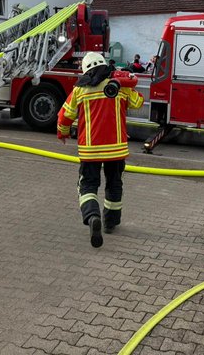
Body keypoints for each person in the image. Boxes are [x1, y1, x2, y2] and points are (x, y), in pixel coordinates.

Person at [57, 52, 144, 248]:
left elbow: (65, 116)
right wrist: (128, 82)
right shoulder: (118, 86)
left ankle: (92, 215)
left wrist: (62, 133)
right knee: (114, 184)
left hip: (90, 150)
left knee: (87, 185)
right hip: (116, 149)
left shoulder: (79, 90)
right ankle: (110, 222)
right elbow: (138, 102)